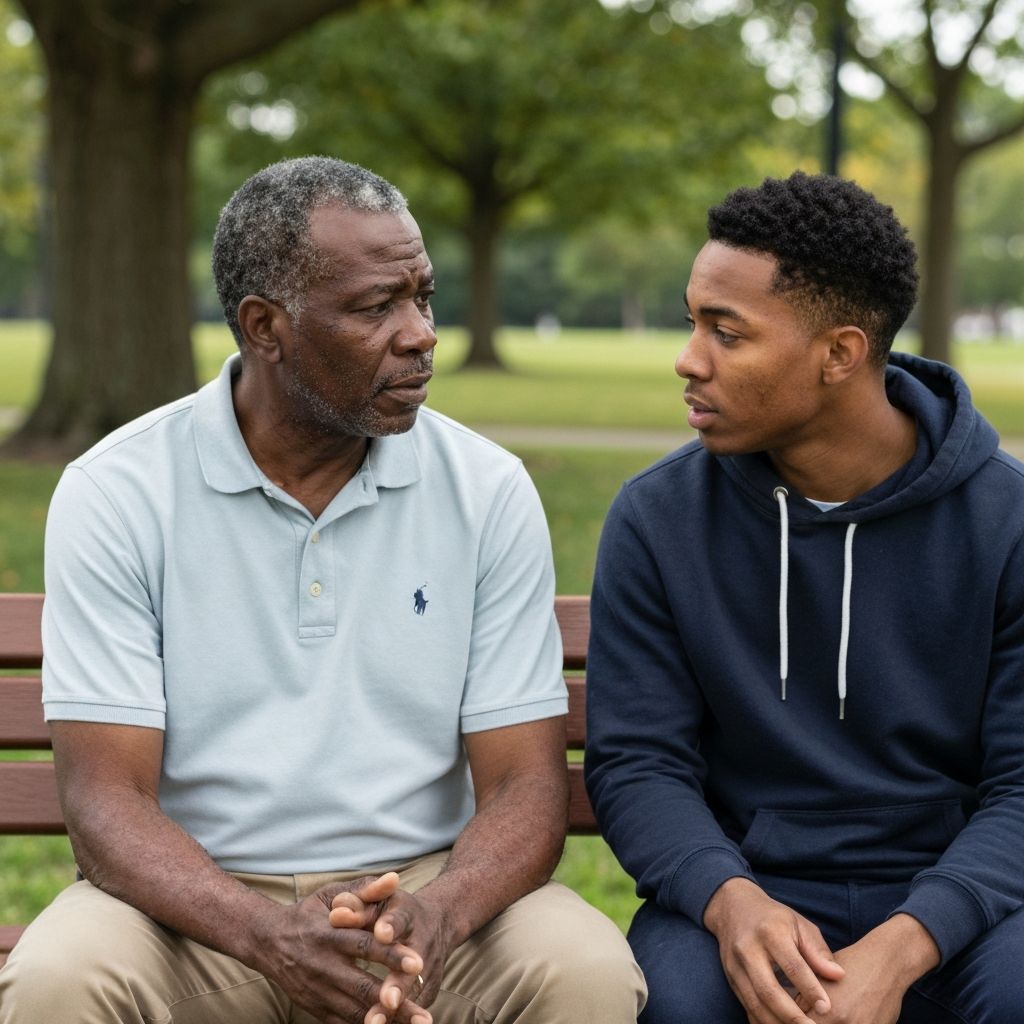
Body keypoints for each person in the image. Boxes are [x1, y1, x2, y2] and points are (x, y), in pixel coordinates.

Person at [0, 157, 645, 1024]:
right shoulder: (119, 490)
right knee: (58, 982)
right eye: (377, 307)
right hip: (192, 912)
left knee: (584, 971)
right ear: (264, 326)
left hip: (423, 892)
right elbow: (105, 801)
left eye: (422, 296)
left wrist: (441, 914)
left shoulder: (485, 488)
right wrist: (268, 935)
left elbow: (524, 786)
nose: (421, 335)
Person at [584, 171, 1024, 1024]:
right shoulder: (658, 518)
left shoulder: (1007, 520)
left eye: (727, 333)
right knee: (677, 1003)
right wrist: (730, 902)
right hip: (747, 888)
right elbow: (640, 762)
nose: (689, 359)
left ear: (839, 355)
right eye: (691, 323)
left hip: (962, 902)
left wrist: (908, 944)